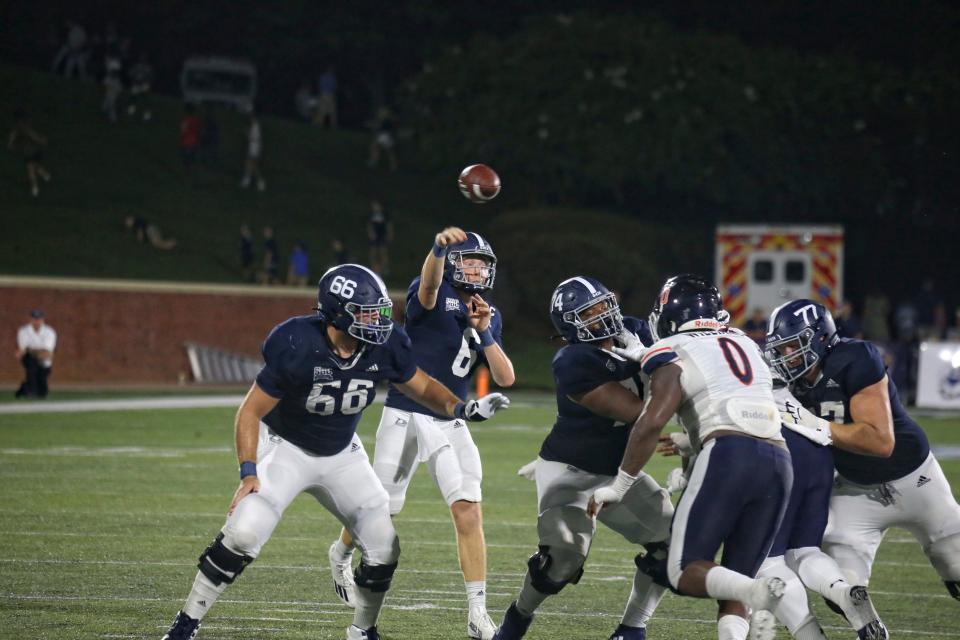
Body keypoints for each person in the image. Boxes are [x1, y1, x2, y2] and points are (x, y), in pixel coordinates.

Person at [160, 264, 511, 640]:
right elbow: (250, 410)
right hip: (287, 449)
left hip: (343, 452)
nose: (377, 320)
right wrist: (248, 471)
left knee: (384, 546)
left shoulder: (386, 343)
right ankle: (184, 626)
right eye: (366, 313)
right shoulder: (297, 342)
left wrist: (461, 409)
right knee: (244, 532)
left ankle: (363, 630)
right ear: (338, 313)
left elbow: (423, 387)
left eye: (379, 311)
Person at [329, 230, 514, 640]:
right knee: (381, 508)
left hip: (450, 420)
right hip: (405, 412)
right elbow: (428, 286)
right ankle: (340, 552)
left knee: (468, 508)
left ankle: (477, 612)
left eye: (483, 264)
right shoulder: (433, 287)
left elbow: (505, 376)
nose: (478, 270)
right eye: (470, 261)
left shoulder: (488, 311)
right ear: (452, 262)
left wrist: (483, 330)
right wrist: (436, 249)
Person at [585, 275, 791, 640]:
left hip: (730, 455)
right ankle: (749, 595)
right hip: (778, 459)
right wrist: (691, 442)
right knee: (733, 583)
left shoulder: (671, 349)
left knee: (682, 570)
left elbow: (650, 422)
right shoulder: (746, 341)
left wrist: (620, 485)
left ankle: (756, 592)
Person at [493, 276, 673, 640]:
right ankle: (516, 620)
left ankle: (632, 629)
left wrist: (659, 351)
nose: (603, 315)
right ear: (570, 326)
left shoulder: (637, 329)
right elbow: (640, 412)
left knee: (673, 544)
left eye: (604, 305)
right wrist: (655, 362)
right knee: (563, 559)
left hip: (620, 471)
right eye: (589, 313)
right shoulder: (573, 361)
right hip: (570, 472)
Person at [765, 300, 960, 616]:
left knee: (957, 568)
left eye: (792, 347)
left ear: (820, 338)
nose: (786, 357)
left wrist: (813, 423)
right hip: (856, 490)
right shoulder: (786, 383)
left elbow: (880, 441)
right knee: (840, 587)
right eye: (781, 349)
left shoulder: (854, 358)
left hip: (917, 480)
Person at [749, 370, 887, 640]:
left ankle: (810, 636)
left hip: (776, 448)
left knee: (766, 562)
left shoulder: (689, 354)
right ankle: (844, 593)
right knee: (803, 550)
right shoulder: (751, 353)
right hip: (816, 448)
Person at [8, 109, 51, 197]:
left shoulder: (23, 128)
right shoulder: (21, 128)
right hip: (30, 152)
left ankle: (36, 186)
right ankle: (44, 177)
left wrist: (40, 140)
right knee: (33, 168)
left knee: (32, 169)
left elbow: (33, 136)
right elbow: (14, 137)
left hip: (32, 151)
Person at [15, 309, 57, 399]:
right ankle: (32, 392)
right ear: (31, 319)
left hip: (44, 360)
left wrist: (31, 350)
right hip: (29, 358)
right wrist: (34, 351)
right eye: (34, 319)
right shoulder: (23, 331)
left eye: (39, 319)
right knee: (32, 366)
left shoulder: (49, 332)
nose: (36, 321)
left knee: (42, 391)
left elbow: (47, 352)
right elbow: (23, 350)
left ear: (43, 319)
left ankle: (24, 388)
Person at [366, 200, 392, 276]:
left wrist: (389, 234)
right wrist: (370, 233)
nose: (375, 207)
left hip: (382, 235)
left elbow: (389, 225)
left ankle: (384, 268)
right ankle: (372, 268)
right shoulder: (371, 214)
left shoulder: (384, 214)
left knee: (383, 252)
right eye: (374, 206)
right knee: (373, 252)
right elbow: (369, 225)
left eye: (376, 205)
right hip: (374, 236)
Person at [240, 114, 265, 191]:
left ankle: (259, 182)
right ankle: (247, 180)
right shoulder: (254, 126)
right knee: (249, 164)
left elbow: (253, 138)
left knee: (252, 165)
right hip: (253, 147)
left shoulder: (255, 127)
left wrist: (246, 133)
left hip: (254, 148)